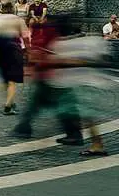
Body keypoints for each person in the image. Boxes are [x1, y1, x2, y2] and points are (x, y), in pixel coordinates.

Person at [11, 14, 83, 143]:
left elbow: (42, 53)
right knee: (42, 103)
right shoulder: (59, 34)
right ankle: (24, 127)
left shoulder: (49, 32)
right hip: (54, 75)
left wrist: (34, 67)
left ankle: (74, 133)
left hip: (49, 76)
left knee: (44, 104)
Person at [44, 20, 112, 156]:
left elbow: (59, 65)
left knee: (85, 115)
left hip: (79, 85)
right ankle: (88, 140)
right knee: (84, 115)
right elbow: (105, 59)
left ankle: (96, 144)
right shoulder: (94, 40)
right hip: (95, 83)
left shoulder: (60, 45)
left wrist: (75, 62)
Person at [0, 2, 27, 115]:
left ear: (2, 9)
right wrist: (27, 51)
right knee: (12, 79)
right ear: (12, 9)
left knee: (5, 79)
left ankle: (10, 101)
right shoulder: (18, 20)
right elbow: (25, 36)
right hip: (13, 48)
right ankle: (8, 106)